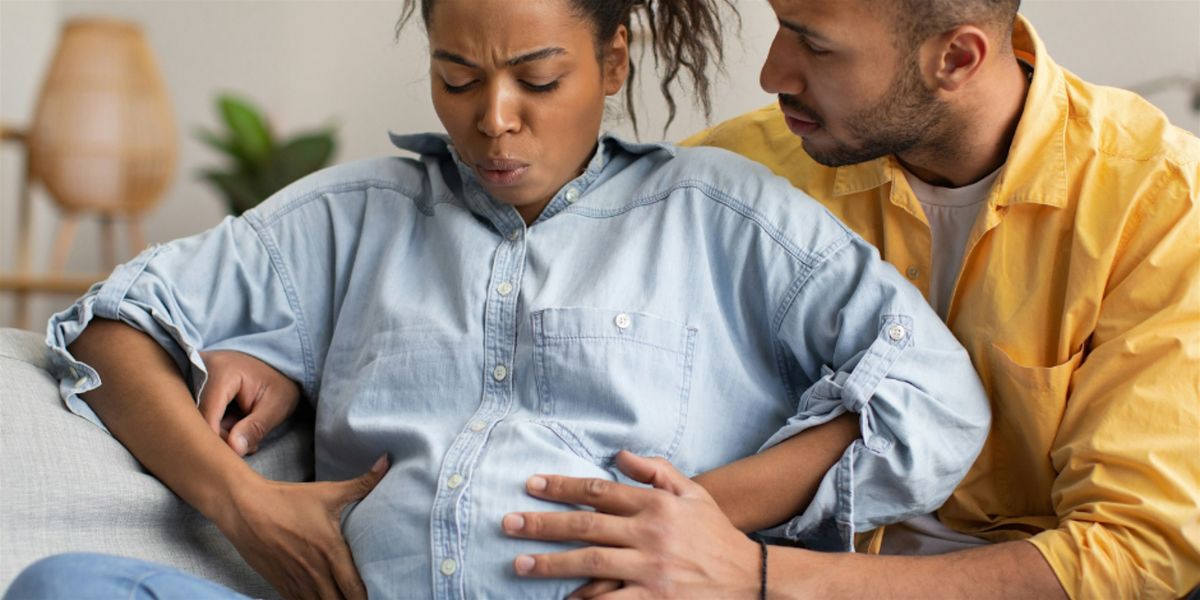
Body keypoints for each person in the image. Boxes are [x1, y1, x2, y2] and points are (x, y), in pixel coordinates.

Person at [6, 0, 993, 599]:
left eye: (538, 79)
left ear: (612, 62)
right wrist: (245, 505)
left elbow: (932, 397)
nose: (494, 120)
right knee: (64, 585)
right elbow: (108, 328)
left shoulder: (722, 215)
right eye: (457, 78)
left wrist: (689, 520)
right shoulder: (355, 215)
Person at [506, 0, 1200, 598]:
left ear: (956, 58)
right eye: (781, 27)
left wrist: (758, 577)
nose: (773, 73)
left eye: (815, 45)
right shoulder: (735, 175)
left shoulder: (1159, 203)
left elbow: (1135, 550)